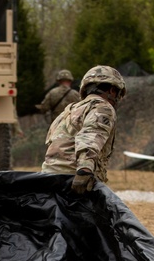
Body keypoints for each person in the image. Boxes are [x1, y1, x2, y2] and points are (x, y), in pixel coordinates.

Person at [40, 65, 127, 193]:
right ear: (113, 91)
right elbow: (91, 136)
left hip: (49, 178)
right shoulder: (103, 107)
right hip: (73, 178)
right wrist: (85, 170)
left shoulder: (69, 110)